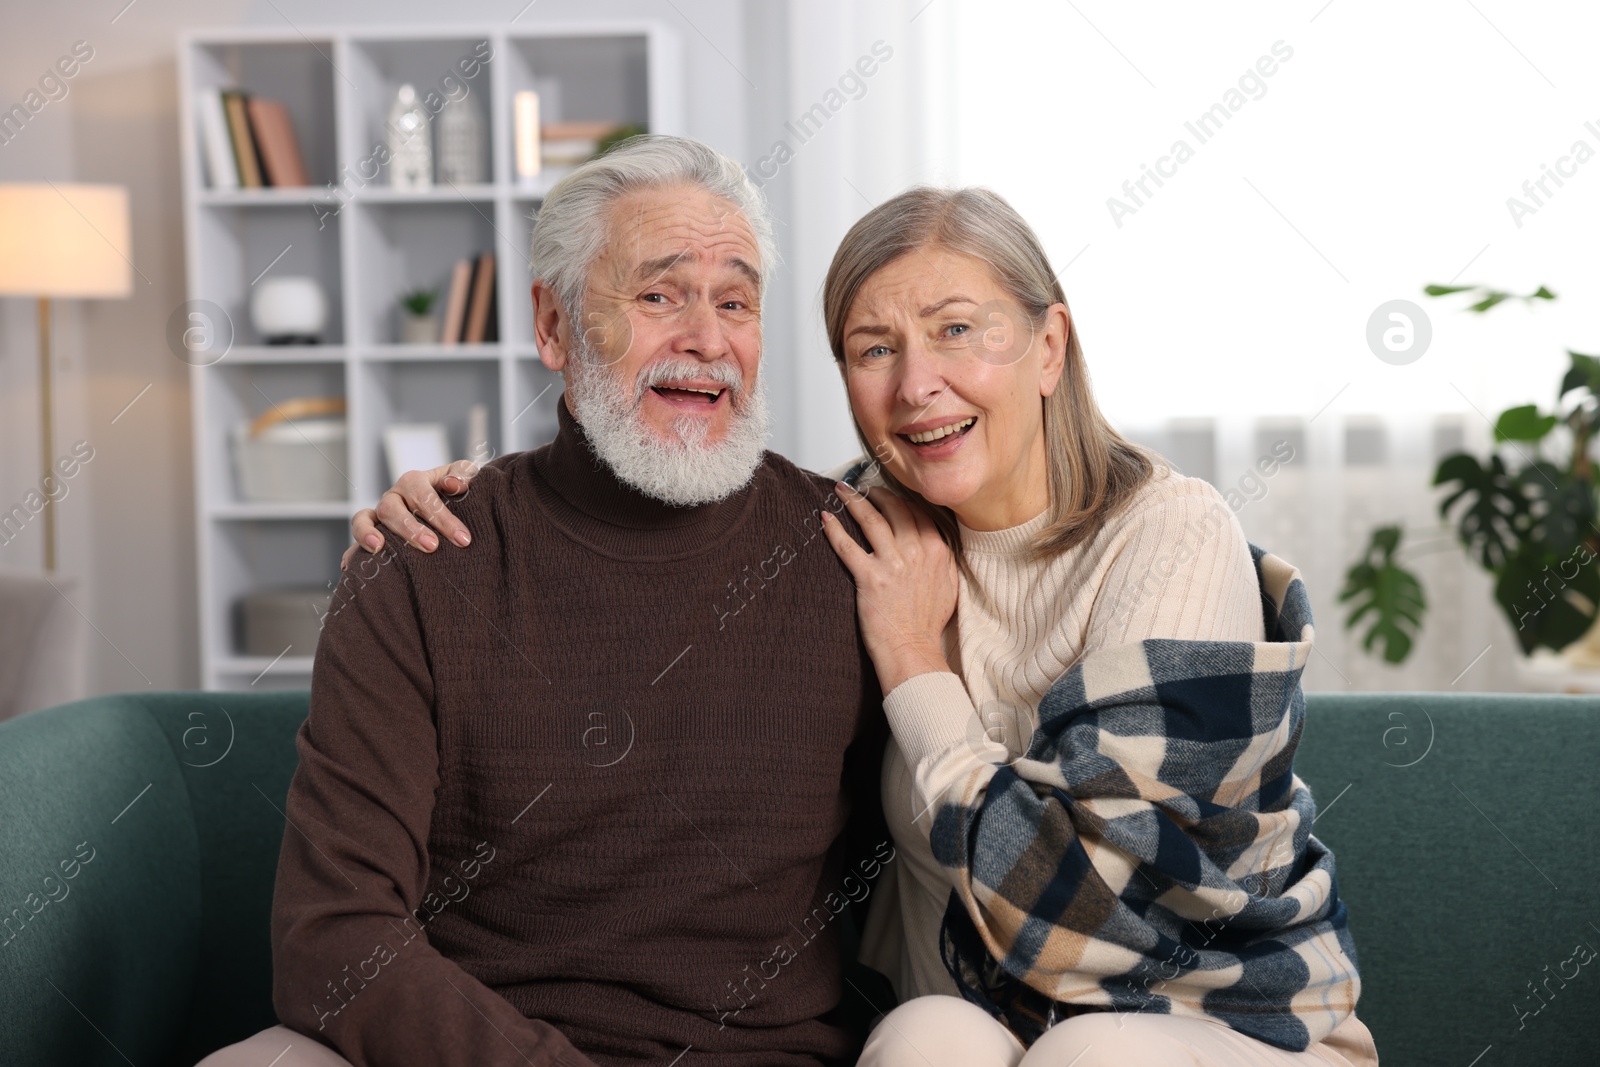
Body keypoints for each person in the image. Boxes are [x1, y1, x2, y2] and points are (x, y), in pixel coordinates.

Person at [349, 190, 1378, 1065]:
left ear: (1049, 344)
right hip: (982, 1022)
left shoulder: (1173, 536)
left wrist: (914, 664)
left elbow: (1096, 928)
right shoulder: (856, 531)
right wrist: (468, 505)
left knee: (1090, 1048)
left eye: (957, 329)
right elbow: (666, 505)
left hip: (1206, 1021)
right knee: (926, 1033)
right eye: (871, 347)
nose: (914, 384)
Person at [199, 135, 893, 1067]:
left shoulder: (857, 554)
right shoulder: (422, 559)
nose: (708, 339)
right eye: (657, 295)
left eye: (736, 301)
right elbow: (331, 937)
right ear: (555, 325)